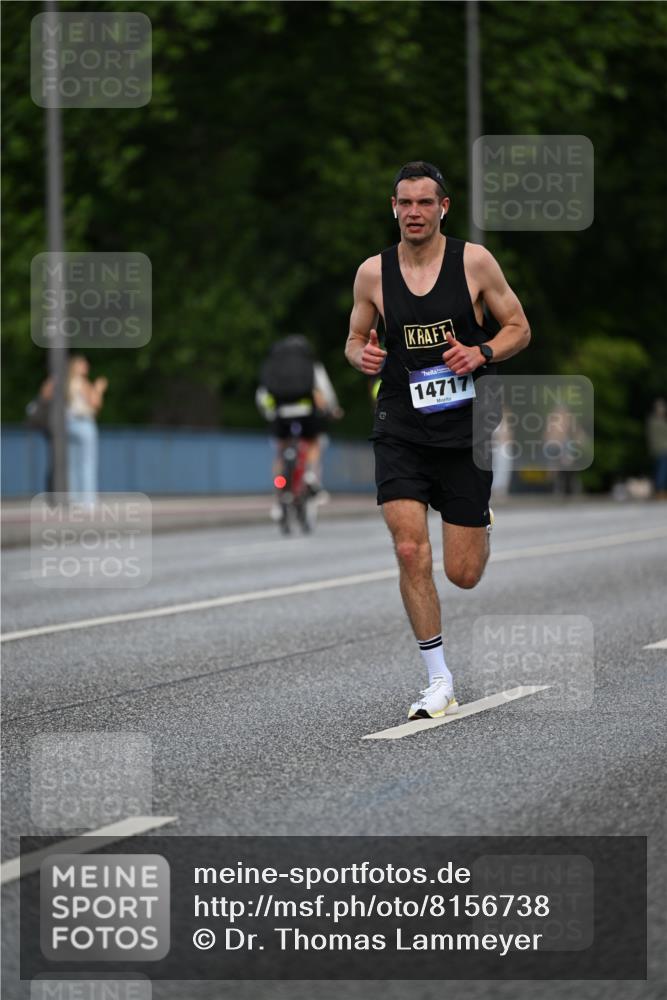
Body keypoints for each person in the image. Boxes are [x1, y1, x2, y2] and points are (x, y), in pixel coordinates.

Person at [345, 160, 530, 720]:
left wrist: (483, 352)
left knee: (463, 574)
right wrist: (363, 356)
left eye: (425, 202)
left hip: (466, 428)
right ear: (393, 208)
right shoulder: (372, 273)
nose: (413, 212)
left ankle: (479, 516)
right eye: (404, 202)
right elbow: (354, 339)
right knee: (407, 548)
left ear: (443, 208)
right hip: (400, 424)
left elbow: (519, 327)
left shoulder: (473, 262)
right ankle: (438, 678)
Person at [256, 335, 342, 496]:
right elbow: (324, 390)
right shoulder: (310, 364)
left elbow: (262, 395)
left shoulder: (273, 365)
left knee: (281, 451)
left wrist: (269, 413)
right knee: (314, 441)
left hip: (280, 413)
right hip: (306, 412)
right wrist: (332, 409)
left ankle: (279, 491)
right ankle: (310, 475)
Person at [66, 354, 107, 504]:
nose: (86, 366)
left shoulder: (66, 383)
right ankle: (88, 500)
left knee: (73, 463)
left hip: (68, 423)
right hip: (84, 423)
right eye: (83, 364)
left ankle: (74, 498)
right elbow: (95, 403)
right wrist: (99, 388)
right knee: (87, 462)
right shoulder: (81, 382)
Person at [647, 397, 667, 498]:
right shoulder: (656, 421)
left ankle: (660, 490)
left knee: (660, 470)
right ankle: (659, 490)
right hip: (661, 449)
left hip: (659, 449)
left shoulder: (654, 421)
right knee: (661, 471)